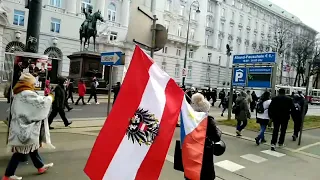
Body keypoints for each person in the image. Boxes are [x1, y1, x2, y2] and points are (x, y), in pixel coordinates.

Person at [2, 73, 54, 180]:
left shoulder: (18, 93)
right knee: (20, 152)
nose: (34, 85)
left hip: (19, 126)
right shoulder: (26, 94)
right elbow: (41, 104)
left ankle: (40, 167)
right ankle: (8, 175)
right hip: (25, 128)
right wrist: (50, 98)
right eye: (33, 83)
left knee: (31, 148)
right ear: (28, 83)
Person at [185, 93, 221, 180]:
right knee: (205, 174)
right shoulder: (208, 120)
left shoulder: (189, 118)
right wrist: (218, 130)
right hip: (204, 152)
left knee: (191, 174)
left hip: (190, 151)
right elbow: (216, 137)